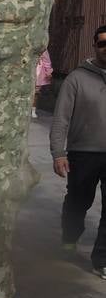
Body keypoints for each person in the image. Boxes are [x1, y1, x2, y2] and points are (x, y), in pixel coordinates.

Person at [51, 25, 106, 278]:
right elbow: (61, 118)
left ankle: (102, 259)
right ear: (95, 46)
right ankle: (69, 238)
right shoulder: (77, 78)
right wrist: (58, 152)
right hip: (83, 153)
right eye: (102, 43)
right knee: (78, 201)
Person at [34, 48, 53, 119]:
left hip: (38, 71)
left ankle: (33, 109)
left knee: (36, 92)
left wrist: (48, 72)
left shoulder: (43, 48)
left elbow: (47, 61)